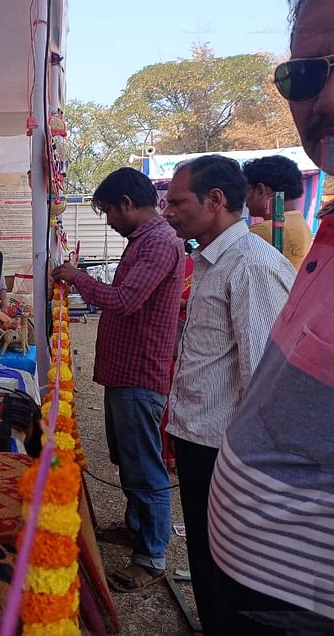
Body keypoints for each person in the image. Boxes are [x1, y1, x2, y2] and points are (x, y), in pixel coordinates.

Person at [209, 1, 334, 632]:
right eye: (305, 75)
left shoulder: (262, 256)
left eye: (177, 202)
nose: (326, 96)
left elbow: (251, 350)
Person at [162, 155, 295, 634]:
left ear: (215, 200)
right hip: (203, 440)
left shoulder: (253, 265)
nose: (167, 212)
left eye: (176, 202)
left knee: (230, 569)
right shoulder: (214, 258)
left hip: (229, 451)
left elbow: (265, 380)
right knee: (206, 556)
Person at [51, 167, 184, 592]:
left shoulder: (158, 244)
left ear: (127, 204)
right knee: (127, 459)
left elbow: (125, 301)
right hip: (125, 370)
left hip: (139, 373)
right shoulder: (144, 242)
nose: (107, 220)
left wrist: (79, 279)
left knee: (145, 467)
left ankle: (150, 556)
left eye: (108, 211)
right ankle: (135, 528)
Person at [159, 240, 195, 472]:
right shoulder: (188, 263)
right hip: (176, 336)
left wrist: (182, 303)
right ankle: (170, 454)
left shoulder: (194, 263)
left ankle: (169, 453)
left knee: (173, 395)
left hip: (179, 335)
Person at [243, 154, 313, 271]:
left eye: (247, 190)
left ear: (260, 190)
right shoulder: (301, 222)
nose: (245, 199)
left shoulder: (261, 232)